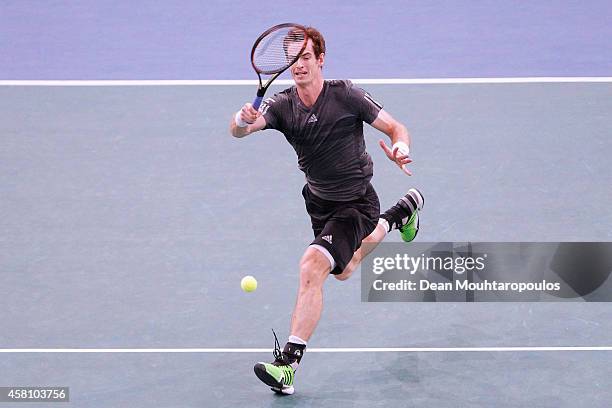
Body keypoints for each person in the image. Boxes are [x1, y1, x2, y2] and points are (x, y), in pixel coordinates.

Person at [229, 26, 424, 395]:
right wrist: (241, 120)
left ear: (320, 60)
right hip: (319, 203)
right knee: (345, 270)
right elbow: (242, 130)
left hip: (356, 203)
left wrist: (399, 147)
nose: (298, 66)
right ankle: (401, 213)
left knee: (312, 265)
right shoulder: (283, 105)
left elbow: (397, 127)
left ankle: (287, 365)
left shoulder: (346, 96)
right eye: (293, 60)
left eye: (305, 58)